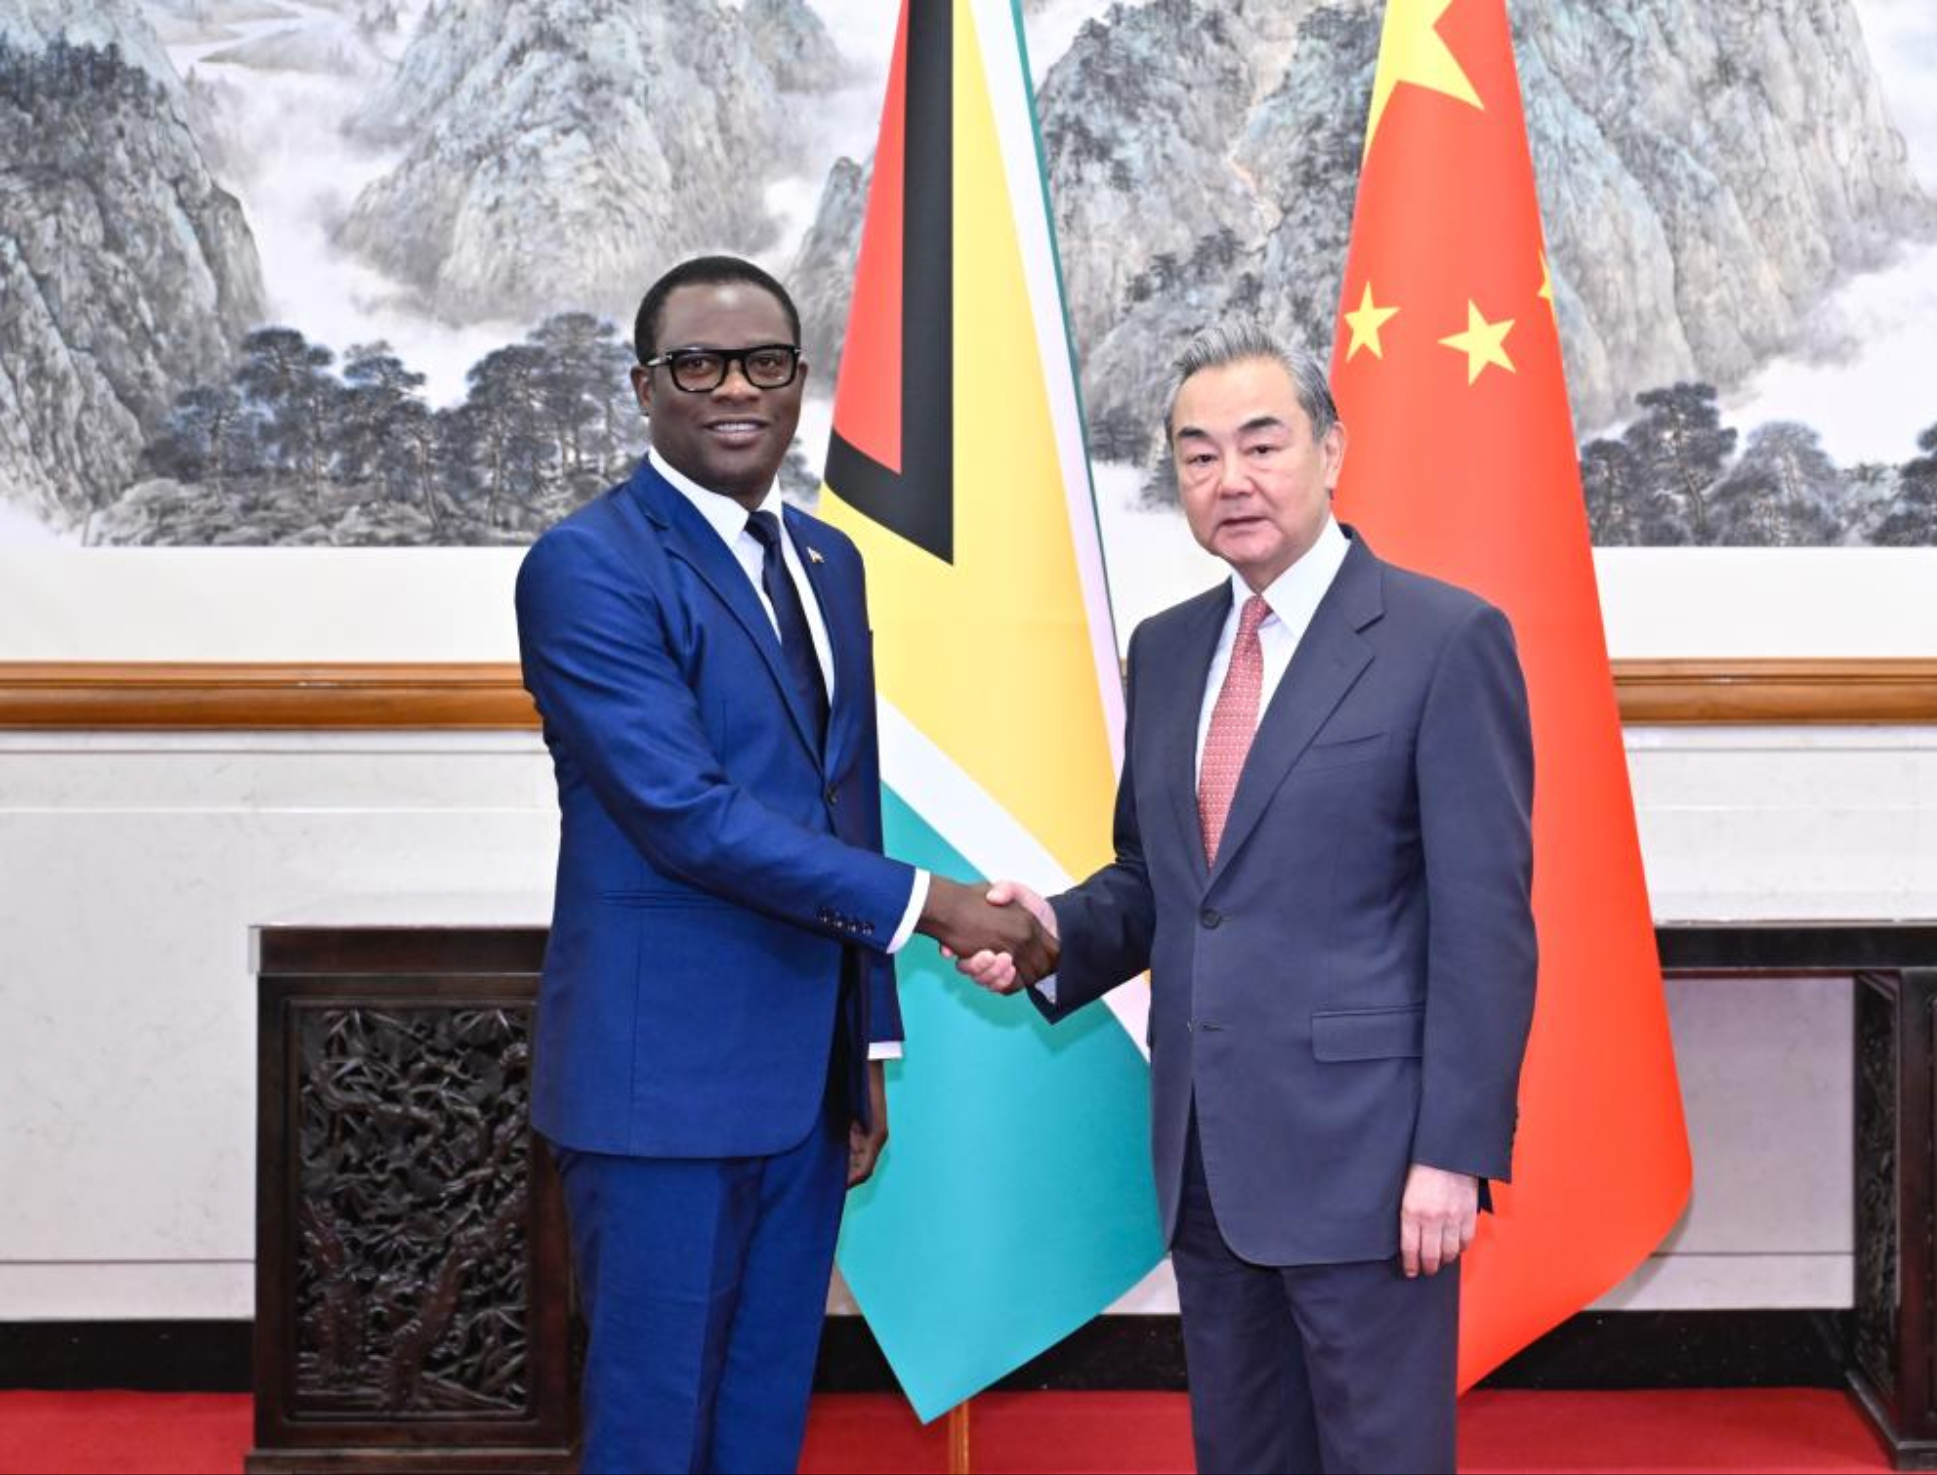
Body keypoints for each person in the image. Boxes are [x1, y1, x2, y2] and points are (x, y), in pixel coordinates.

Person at [956, 321, 1537, 1474]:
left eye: (1261, 444)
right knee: (1243, 1454)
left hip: (1372, 1161)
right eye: (1197, 454)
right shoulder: (1169, 649)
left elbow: (1486, 921)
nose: (1231, 480)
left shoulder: (1442, 638)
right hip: (1207, 1152)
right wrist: (1051, 929)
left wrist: (1451, 1152)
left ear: (1329, 451)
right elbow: (1163, 879)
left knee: (1380, 1455)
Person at [515, 255, 1054, 1475]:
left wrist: (862, 1045)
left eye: (762, 361)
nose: (732, 389)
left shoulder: (824, 561)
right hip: (659, 1091)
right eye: (696, 364)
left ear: (798, 380)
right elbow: (687, 814)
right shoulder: (587, 564)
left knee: (760, 1424)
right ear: (644, 387)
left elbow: (836, 805)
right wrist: (937, 907)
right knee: (655, 1430)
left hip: (799, 1087)